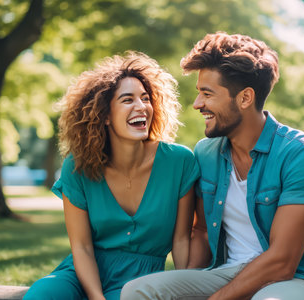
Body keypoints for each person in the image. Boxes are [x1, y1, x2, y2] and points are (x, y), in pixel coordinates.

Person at [121, 32, 304, 300]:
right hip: (227, 272)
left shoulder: (302, 155)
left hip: (298, 278)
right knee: (137, 290)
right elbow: (199, 230)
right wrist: (188, 282)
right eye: (199, 93)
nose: (198, 104)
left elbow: (282, 261)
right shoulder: (206, 152)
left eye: (207, 94)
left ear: (245, 98)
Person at [23, 51, 200, 300]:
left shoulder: (179, 161)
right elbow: (82, 248)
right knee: (41, 294)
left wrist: (185, 292)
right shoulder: (78, 167)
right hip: (81, 274)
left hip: (140, 283)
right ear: (105, 115)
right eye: (128, 100)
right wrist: (96, 297)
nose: (141, 107)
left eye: (146, 98)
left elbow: (182, 240)